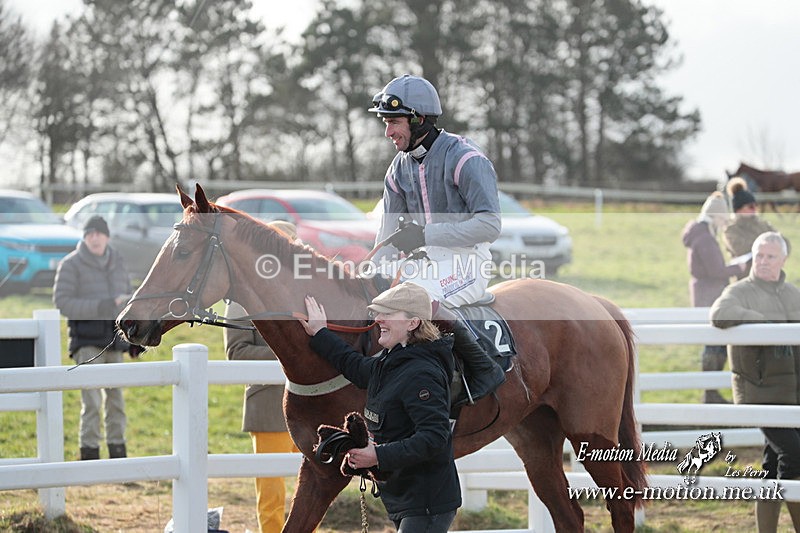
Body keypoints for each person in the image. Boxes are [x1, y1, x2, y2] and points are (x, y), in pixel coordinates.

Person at [368, 74, 505, 403]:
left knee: (416, 302)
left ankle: (482, 368)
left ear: (419, 119)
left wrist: (426, 234)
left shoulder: (466, 159)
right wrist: (369, 271)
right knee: (375, 301)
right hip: (425, 263)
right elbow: (387, 234)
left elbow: (490, 225)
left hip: (468, 261)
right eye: (386, 123)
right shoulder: (397, 169)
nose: (388, 132)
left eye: (394, 122)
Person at [300, 282, 461, 532]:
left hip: (426, 502)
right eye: (378, 313)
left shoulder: (422, 373)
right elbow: (354, 365)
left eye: (387, 314)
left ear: (413, 323)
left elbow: (435, 437)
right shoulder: (392, 361)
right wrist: (320, 332)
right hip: (405, 498)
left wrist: (377, 455)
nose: (378, 320)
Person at [710, 232, 800, 532]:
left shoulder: (792, 294)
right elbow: (719, 314)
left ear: (783, 260)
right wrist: (760, 320)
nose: (763, 261)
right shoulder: (740, 291)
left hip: (791, 395)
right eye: (759, 255)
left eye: (770, 256)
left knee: (774, 463)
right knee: (794, 454)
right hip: (758, 393)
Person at [223, 220, 300, 533]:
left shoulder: (309, 290)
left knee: (311, 489)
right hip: (268, 405)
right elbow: (236, 352)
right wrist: (293, 353)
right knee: (271, 494)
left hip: (314, 405)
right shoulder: (242, 295)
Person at [53, 215, 135, 460]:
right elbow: (63, 303)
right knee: (91, 402)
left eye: (99, 233)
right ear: (84, 237)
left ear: (107, 236)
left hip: (114, 341)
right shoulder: (70, 264)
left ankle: (117, 452)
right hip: (86, 342)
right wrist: (102, 306)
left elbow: (128, 300)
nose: (95, 238)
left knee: (116, 400)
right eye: (90, 233)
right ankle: (89, 453)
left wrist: (133, 341)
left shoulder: (118, 262)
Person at [681, 191, 746, 403]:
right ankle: (710, 392)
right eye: (722, 218)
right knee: (714, 343)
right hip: (709, 295)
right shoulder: (705, 238)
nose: (724, 223)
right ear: (715, 217)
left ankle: (711, 391)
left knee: (715, 342)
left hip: (706, 293)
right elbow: (716, 270)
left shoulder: (701, 234)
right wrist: (740, 266)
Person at [723, 177, 782, 279]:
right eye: (750, 206)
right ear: (738, 210)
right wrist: (771, 247)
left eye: (756, 205)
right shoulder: (731, 230)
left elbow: (783, 242)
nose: (755, 209)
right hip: (745, 279)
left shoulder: (764, 224)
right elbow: (742, 249)